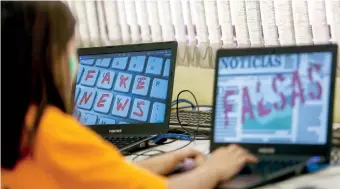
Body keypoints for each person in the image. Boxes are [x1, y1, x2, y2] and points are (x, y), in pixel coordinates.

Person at [1, 1, 258, 189]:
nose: (74, 63)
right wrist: (216, 168)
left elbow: (97, 177)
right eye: (70, 50)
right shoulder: (51, 133)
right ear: (49, 59)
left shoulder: (17, 124)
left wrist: (161, 163)